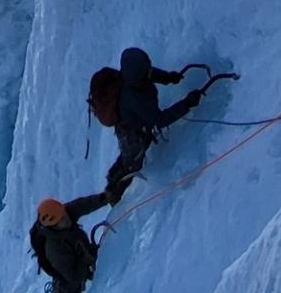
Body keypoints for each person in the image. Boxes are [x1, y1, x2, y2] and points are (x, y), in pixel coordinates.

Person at [89, 45, 235, 202]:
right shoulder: (133, 98)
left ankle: (115, 175)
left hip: (134, 122)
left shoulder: (134, 75)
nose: (148, 71)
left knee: (130, 155)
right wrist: (187, 104)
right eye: (145, 70)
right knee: (133, 163)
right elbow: (160, 120)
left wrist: (169, 78)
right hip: (130, 131)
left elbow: (151, 74)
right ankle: (114, 192)